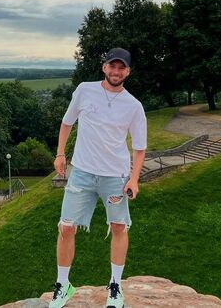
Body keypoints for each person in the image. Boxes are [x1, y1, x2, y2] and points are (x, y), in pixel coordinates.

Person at [49, 48, 147, 308]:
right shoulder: (84, 90)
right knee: (66, 226)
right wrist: (60, 154)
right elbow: (67, 122)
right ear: (104, 67)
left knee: (119, 226)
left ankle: (115, 286)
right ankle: (62, 285)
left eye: (121, 67)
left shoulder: (134, 106)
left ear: (128, 72)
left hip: (115, 176)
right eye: (112, 66)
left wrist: (134, 179)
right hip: (81, 172)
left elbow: (139, 148)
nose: (116, 71)